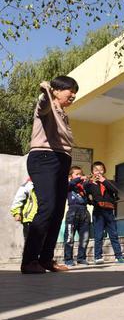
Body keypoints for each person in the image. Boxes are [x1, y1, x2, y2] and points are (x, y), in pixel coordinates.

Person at [21, 76, 78, 274]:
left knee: (57, 212)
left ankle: (46, 259)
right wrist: (45, 91)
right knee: (47, 207)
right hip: (44, 157)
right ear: (56, 90)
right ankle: (29, 261)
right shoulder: (47, 105)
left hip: (62, 160)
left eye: (74, 92)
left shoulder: (63, 114)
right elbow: (43, 105)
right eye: (70, 90)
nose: (73, 95)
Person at [85, 161, 124, 264]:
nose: (98, 172)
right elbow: (85, 194)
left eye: (101, 169)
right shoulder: (90, 184)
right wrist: (92, 202)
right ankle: (98, 257)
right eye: (96, 170)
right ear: (92, 172)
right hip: (98, 211)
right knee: (98, 235)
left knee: (113, 234)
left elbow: (115, 190)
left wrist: (104, 181)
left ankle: (118, 256)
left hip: (109, 211)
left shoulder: (109, 182)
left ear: (104, 170)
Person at [63, 166, 91, 267]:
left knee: (85, 237)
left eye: (81, 174)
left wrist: (90, 180)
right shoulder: (69, 185)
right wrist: (80, 178)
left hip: (84, 212)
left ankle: (81, 258)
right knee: (69, 237)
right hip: (72, 212)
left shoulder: (83, 186)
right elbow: (71, 184)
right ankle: (68, 259)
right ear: (71, 176)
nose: (80, 176)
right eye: (77, 174)